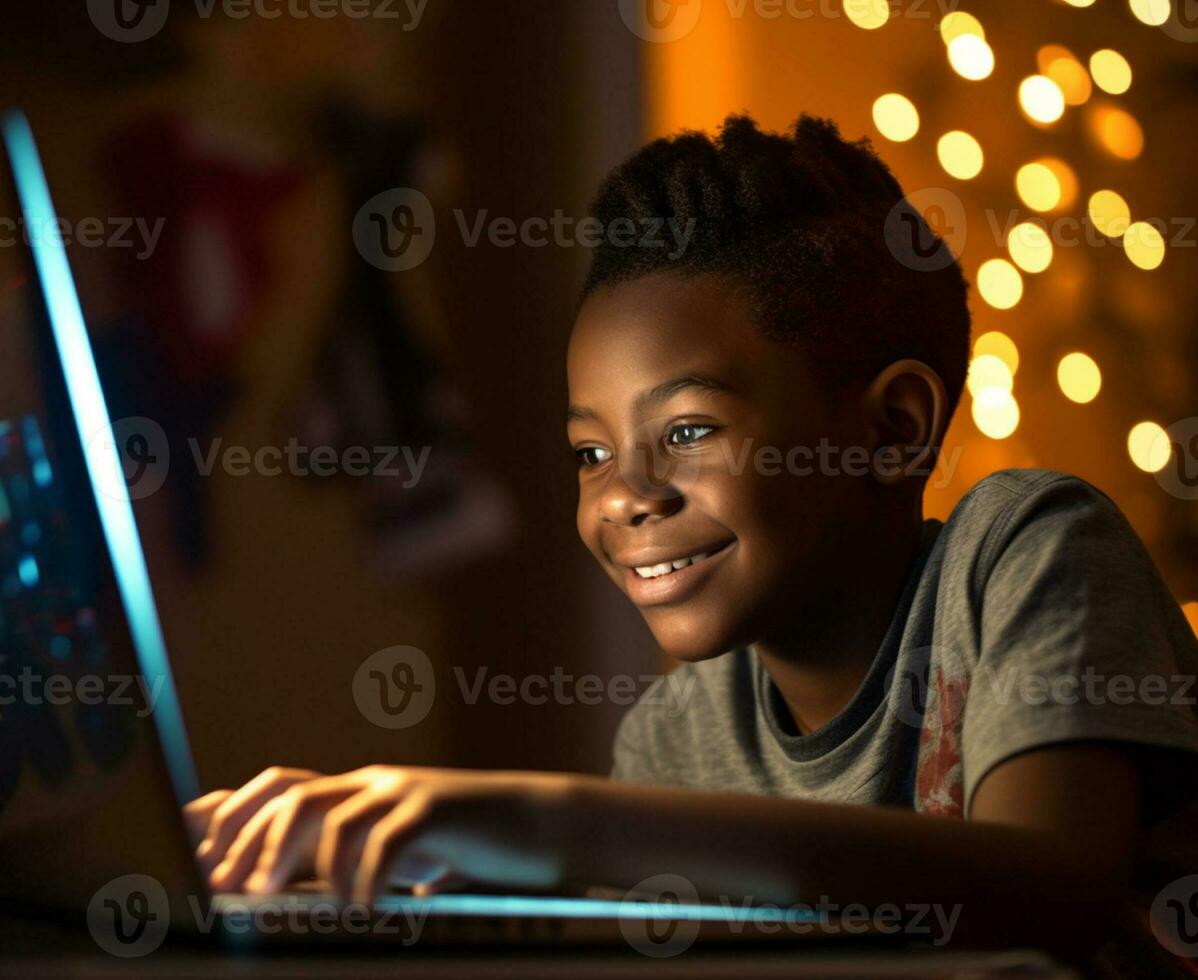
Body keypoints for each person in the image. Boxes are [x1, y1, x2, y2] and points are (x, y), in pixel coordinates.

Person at [183, 115, 1198, 963]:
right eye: (589, 452)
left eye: (687, 432)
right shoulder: (678, 738)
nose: (623, 496)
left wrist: (545, 821)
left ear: (894, 428)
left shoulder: (1026, 549)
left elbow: (1055, 881)